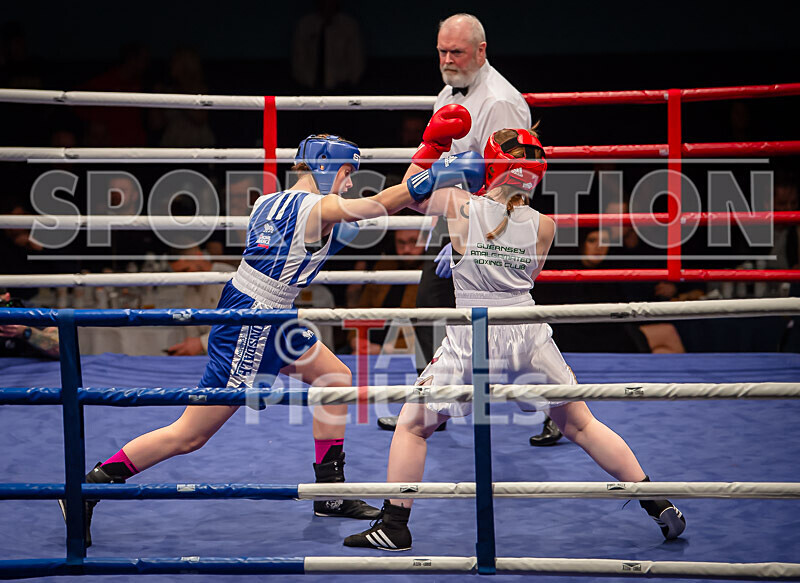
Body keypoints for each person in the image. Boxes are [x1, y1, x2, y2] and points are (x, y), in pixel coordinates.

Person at [60, 133, 486, 546]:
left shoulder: (268, 201)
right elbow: (380, 204)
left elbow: (299, 247)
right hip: (252, 320)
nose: (349, 183)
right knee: (190, 433)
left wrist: (426, 155)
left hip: (271, 312)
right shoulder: (318, 206)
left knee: (334, 380)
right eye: (346, 173)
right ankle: (90, 485)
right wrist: (433, 174)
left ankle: (329, 494)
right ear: (325, 168)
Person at [345, 127, 686, 551]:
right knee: (581, 424)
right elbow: (528, 275)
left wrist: (432, 145)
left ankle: (395, 525)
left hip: (474, 331)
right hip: (527, 327)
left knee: (412, 426)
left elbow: (409, 190)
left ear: (491, 166)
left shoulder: (459, 204)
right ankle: (657, 502)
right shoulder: (546, 226)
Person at [377, 14, 559, 443]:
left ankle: (549, 405)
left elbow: (517, 176)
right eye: (441, 51)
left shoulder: (499, 101)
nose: (447, 59)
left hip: (490, 225)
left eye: (456, 52)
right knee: (438, 308)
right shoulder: (448, 92)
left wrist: (481, 237)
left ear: (481, 51)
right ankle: (435, 404)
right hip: (459, 216)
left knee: (494, 316)